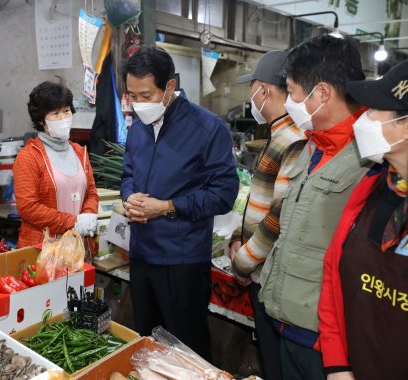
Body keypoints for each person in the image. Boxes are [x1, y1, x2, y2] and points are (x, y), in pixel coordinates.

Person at [256, 35, 373, 380]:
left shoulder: (368, 158)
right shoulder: (313, 146)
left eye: (292, 93)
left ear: (321, 94)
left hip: (325, 340)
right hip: (288, 321)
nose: (290, 102)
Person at [121, 46, 239, 361]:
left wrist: (168, 206)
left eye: (146, 95)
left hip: (181, 260)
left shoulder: (208, 128)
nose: (138, 104)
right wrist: (129, 195)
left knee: (185, 351)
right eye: (132, 96)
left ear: (170, 86)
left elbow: (224, 193)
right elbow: (128, 174)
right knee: (148, 345)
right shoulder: (138, 127)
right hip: (142, 254)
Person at [318, 61, 408, 380]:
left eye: (374, 111)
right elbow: (333, 273)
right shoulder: (370, 189)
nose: (362, 120)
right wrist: (337, 364)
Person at [230, 50, 307, 380]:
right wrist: (237, 238)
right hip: (262, 271)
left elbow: (278, 217)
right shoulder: (279, 133)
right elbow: (259, 203)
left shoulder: (293, 139)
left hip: (269, 279)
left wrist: (243, 261)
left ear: (263, 90)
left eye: (252, 88)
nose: (251, 97)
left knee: (277, 366)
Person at [13, 81, 98, 248]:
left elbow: (91, 193)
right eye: (55, 113)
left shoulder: (80, 152)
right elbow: (28, 207)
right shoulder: (29, 157)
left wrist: (88, 215)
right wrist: (73, 222)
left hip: (77, 246)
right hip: (43, 249)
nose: (63, 118)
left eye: (66, 111)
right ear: (41, 120)